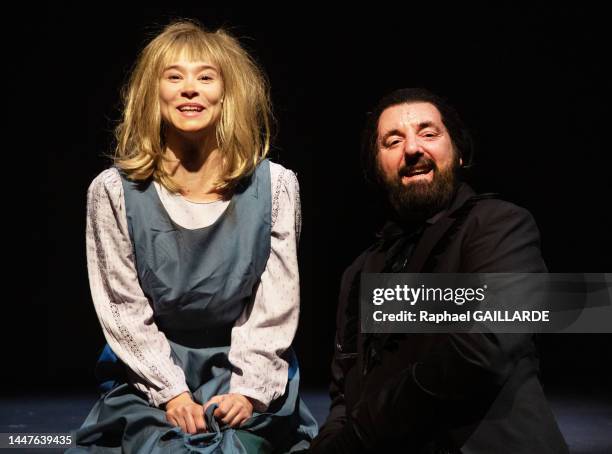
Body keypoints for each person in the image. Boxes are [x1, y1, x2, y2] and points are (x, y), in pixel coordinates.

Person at [69, 20, 316, 453]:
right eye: (174, 77)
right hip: (149, 375)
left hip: (245, 369)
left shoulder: (275, 187)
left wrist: (250, 391)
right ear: (154, 93)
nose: (189, 89)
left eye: (205, 77)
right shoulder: (113, 191)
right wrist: (171, 392)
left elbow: (274, 305)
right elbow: (122, 308)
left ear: (227, 94)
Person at [310, 88, 568, 453]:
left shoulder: (500, 225)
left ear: (459, 153)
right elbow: (345, 392)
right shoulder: (359, 272)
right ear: (375, 167)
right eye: (392, 141)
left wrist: (358, 435)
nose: (413, 149)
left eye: (428, 134)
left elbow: (484, 348)